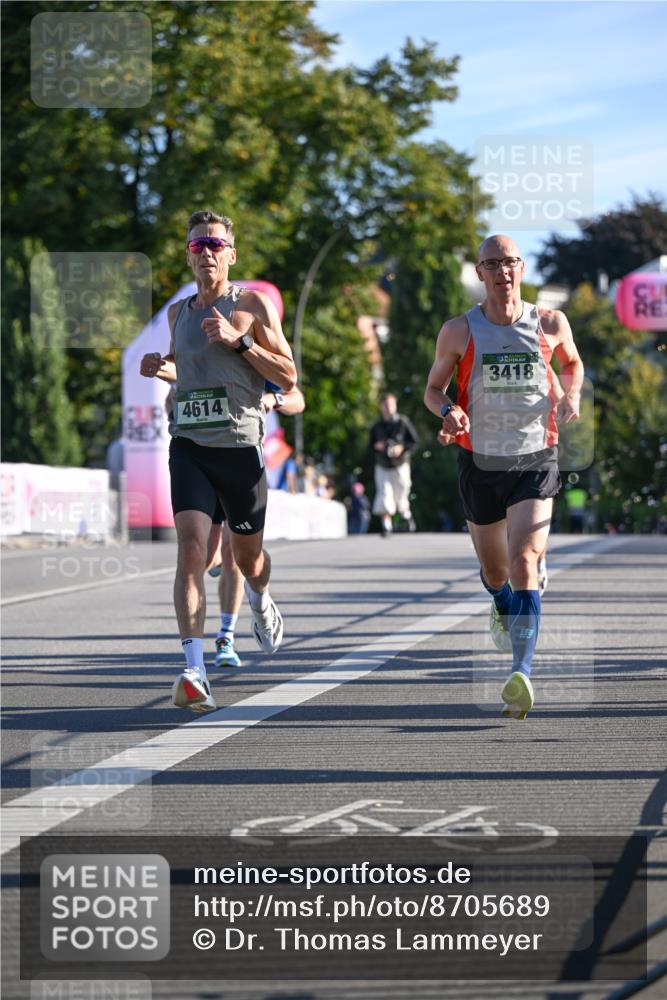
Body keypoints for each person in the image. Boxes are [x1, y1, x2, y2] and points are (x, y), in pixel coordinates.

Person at [140, 209, 297, 712]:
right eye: (196, 245)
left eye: (214, 245)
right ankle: (193, 669)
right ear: (188, 256)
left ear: (231, 254)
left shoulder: (250, 306)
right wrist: (158, 367)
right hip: (189, 446)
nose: (205, 252)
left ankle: (259, 596)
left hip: (239, 451)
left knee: (248, 561)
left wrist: (241, 341)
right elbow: (187, 371)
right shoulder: (178, 314)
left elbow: (289, 377)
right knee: (191, 552)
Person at [425, 234, 583, 719]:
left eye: (510, 261)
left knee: (524, 561)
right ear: (479, 272)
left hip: (534, 457)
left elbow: (572, 365)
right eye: (492, 263)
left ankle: (521, 672)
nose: (502, 271)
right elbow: (433, 389)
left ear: (521, 267)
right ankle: (500, 600)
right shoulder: (458, 330)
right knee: (498, 574)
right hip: (480, 461)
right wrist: (449, 411)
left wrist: (570, 395)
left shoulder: (550, 322)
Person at [207, 385, 305, 669]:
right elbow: (171, 398)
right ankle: (214, 563)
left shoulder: (251, 349)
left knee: (234, 553)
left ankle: (225, 637)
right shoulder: (197, 345)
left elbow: (297, 399)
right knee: (204, 555)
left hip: (241, 457)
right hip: (199, 458)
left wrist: (273, 399)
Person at [370, 392, 419, 536]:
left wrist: (402, 448)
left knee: (401, 493)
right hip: (382, 465)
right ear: (381, 407)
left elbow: (414, 441)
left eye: (390, 404)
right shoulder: (376, 426)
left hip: (400, 464)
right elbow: (369, 446)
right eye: (385, 405)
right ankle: (387, 525)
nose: (388, 408)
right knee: (384, 494)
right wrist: (377, 446)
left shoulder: (403, 422)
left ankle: (406, 515)